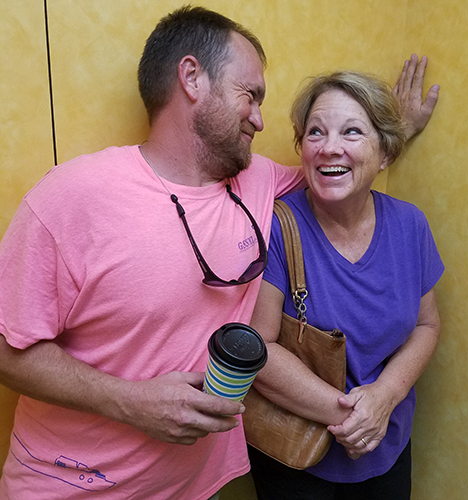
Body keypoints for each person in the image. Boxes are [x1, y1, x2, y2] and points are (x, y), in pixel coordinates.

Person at [0, 6, 438, 500]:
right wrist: (126, 401)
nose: (259, 118)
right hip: (70, 489)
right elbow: (7, 351)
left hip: (198, 487)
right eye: (249, 95)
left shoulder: (258, 181)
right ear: (192, 78)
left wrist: (393, 128)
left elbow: (341, 170)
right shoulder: (71, 196)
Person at [248, 70, 444, 500]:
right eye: (315, 132)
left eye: (352, 131)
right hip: (296, 456)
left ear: (387, 153)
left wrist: (386, 397)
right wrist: (355, 417)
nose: (328, 147)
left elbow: (427, 325)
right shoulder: (279, 227)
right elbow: (259, 349)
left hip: (388, 446)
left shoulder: (410, 224)